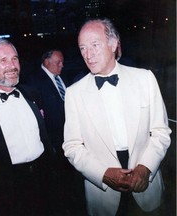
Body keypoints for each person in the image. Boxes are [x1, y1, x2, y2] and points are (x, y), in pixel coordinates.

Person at [62, 18, 171, 216]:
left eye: (94, 45)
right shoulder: (74, 93)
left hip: (147, 186)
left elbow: (161, 132)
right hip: (103, 197)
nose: (88, 54)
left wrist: (146, 167)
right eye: (82, 48)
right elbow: (72, 146)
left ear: (113, 44)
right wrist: (103, 174)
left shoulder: (144, 79)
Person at [0, 39, 56, 216]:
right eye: (3, 60)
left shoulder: (32, 93)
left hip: (45, 178)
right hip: (11, 188)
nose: (12, 65)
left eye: (15, 59)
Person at [25, 49, 85, 215]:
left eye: (62, 62)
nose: (62, 65)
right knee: (61, 182)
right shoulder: (33, 82)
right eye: (58, 62)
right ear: (46, 62)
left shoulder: (61, 78)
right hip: (53, 141)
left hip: (70, 137)